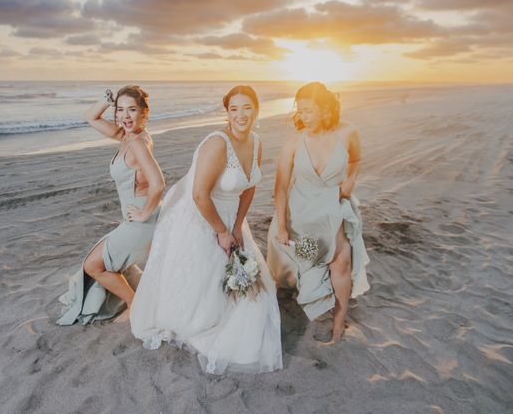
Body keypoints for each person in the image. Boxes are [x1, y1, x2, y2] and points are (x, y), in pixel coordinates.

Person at [130, 86, 282, 374]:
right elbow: (199, 195)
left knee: (253, 291)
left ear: (257, 109)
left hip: (232, 216)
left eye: (246, 107)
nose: (240, 115)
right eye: (233, 109)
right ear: (226, 113)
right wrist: (222, 231)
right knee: (203, 287)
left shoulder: (257, 142)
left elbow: (249, 187)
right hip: (203, 215)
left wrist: (237, 226)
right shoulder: (217, 143)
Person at [267, 82, 370, 345]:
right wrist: (281, 226)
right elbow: (279, 187)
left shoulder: (348, 131)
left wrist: (350, 183)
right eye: (300, 111)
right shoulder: (294, 142)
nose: (303, 117)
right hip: (301, 214)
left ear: (325, 109)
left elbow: (356, 160)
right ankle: (317, 306)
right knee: (311, 264)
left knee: (341, 261)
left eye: (309, 111)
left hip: (333, 205)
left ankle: (339, 320)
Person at [57, 85, 165, 325]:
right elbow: (90, 117)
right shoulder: (126, 136)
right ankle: (145, 295)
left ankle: (134, 303)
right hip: (133, 220)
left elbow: (158, 183)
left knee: (93, 265)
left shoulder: (137, 143)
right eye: (120, 110)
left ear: (144, 113)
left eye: (132, 110)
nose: (125, 116)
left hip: (141, 224)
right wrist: (107, 99)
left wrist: (143, 213)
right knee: (109, 263)